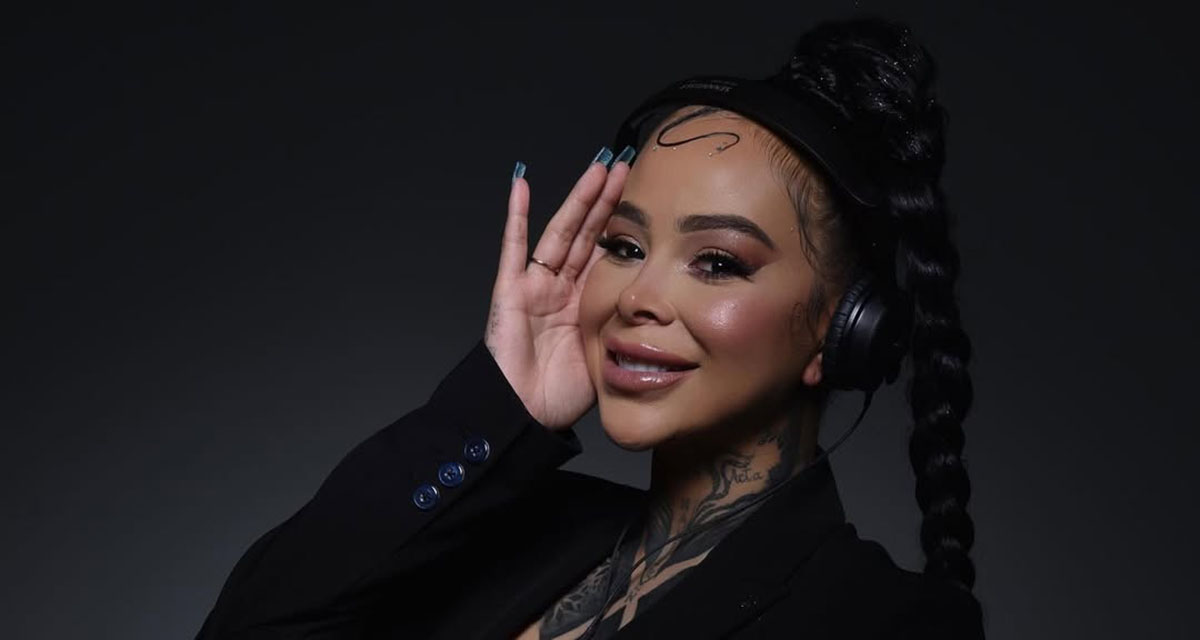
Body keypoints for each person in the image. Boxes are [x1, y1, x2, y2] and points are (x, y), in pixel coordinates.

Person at [197, 16, 984, 640]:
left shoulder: (885, 621)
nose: (637, 295)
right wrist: (497, 408)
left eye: (717, 262)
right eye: (624, 246)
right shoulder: (515, 531)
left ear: (844, 328)